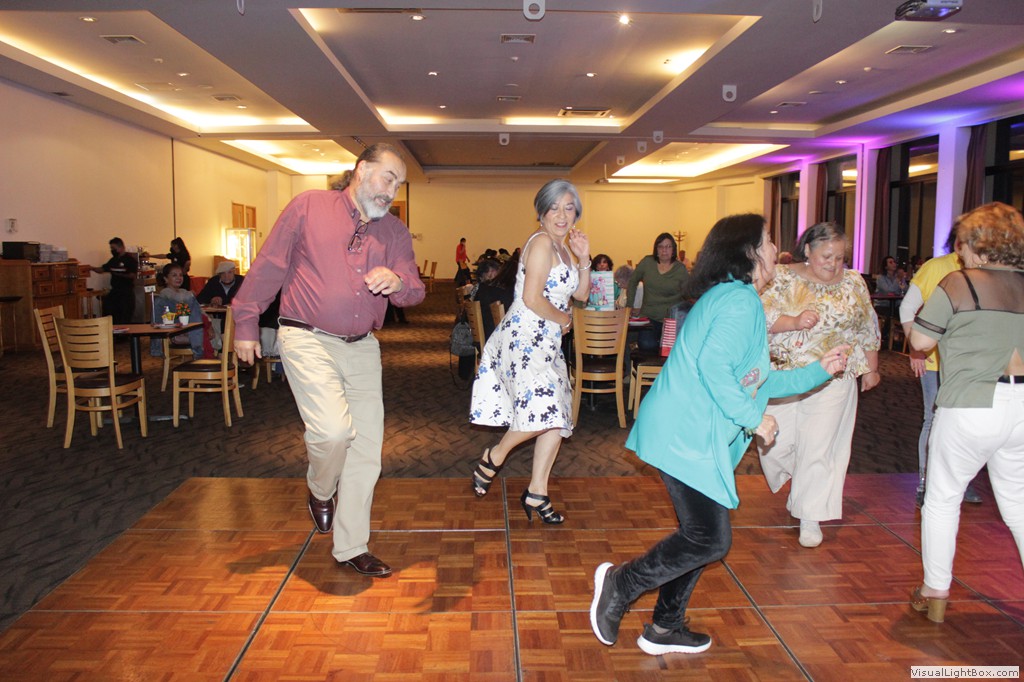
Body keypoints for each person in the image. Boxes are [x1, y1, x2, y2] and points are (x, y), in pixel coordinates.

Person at [589, 214, 849, 655]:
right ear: (749, 253)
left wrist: (817, 371)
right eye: (768, 241)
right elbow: (714, 368)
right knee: (709, 538)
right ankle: (621, 583)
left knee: (699, 537)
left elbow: (756, 380)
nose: (776, 249)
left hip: (691, 435)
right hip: (685, 436)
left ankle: (665, 627)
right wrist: (753, 419)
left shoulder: (736, 298)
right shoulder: (739, 302)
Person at [232, 143, 425, 578]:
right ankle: (321, 489)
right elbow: (269, 265)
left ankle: (351, 546)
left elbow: (414, 289)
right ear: (361, 170)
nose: (391, 191)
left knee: (367, 452)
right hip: (306, 336)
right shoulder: (308, 207)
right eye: (388, 178)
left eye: (398, 184)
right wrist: (245, 322)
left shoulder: (394, 232)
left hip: (363, 346)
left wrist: (398, 281)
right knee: (334, 432)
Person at [908, 201, 1024, 623]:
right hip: (1022, 406)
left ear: (978, 244)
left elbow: (921, 342)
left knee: (942, 499)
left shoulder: (960, 283)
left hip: (970, 404)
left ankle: (935, 591)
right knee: (1019, 503)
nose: (959, 252)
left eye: (962, 244)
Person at [468, 179, 591, 524]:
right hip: (525, 338)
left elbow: (581, 294)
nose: (562, 215)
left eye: (569, 208)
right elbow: (532, 298)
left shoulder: (562, 248)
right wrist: (564, 319)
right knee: (546, 409)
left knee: (558, 416)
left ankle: (537, 492)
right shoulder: (541, 243)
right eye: (554, 207)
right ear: (541, 212)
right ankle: (495, 455)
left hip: (547, 341)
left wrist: (584, 257)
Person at [758, 221, 880, 548]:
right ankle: (801, 483)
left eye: (840, 257)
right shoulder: (781, 277)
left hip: (834, 377)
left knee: (819, 447)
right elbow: (760, 318)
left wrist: (871, 368)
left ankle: (810, 515)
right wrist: (793, 322)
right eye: (827, 256)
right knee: (774, 445)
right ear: (808, 250)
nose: (833, 264)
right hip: (783, 376)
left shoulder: (853, 282)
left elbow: (866, 325)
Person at [899, 232, 983, 507]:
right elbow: (907, 308)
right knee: (933, 418)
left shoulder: (984, 268)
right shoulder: (935, 267)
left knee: (967, 422)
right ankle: (926, 482)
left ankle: (962, 481)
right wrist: (915, 348)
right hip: (935, 361)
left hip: (969, 363)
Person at [627, 233, 689, 352]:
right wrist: (629, 305)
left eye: (668, 246)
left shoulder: (680, 269)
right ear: (656, 249)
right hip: (649, 317)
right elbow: (633, 281)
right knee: (646, 344)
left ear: (673, 249)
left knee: (671, 349)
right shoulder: (647, 262)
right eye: (661, 246)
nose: (664, 250)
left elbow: (689, 292)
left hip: (672, 320)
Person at [150, 263, 213, 359]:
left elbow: (199, 311)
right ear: (166, 279)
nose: (178, 278)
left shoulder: (185, 293)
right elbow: (157, 320)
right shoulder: (164, 297)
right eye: (174, 275)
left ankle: (207, 357)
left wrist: (209, 323)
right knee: (202, 330)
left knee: (213, 326)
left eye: (180, 275)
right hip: (177, 331)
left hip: (192, 326)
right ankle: (202, 357)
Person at [92, 237, 138, 324]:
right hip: (115, 291)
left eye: (113, 248)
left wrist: (119, 274)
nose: (112, 250)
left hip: (126, 293)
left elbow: (133, 275)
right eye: (111, 248)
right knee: (110, 314)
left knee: (124, 318)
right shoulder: (113, 260)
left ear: (121, 247)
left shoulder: (130, 260)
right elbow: (102, 269)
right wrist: (91, 268)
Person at [470, 258, 512, 340]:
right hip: (492, 338)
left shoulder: (478, 289)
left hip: (481, 335)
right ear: (490, 273)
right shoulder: (494, 291)